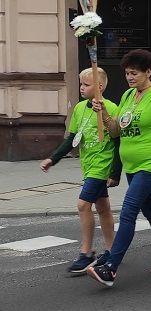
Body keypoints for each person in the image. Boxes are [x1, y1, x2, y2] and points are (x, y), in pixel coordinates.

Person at [85, 49, 151, 288]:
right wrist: (103, 112)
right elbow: (116, 130)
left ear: (148, 72)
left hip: (150, 162)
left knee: (128, 211)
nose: (129, 77)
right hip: (131, 164)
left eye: (134, 73)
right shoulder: (128, 95)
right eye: (127, 73)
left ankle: (111, 267)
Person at [40, 67, 118, 274]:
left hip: (102, 165)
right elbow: (72, 138)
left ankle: (86, 253)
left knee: (83, 205)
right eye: (81, 84)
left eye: (86, 84)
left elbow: (117, 140)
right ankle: (112, 250)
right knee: (103, 207)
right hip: (88, 164)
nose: (81, 88)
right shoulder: (79, 108)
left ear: (99, 87)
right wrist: (53, 158)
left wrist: (115, 172)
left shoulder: (111, 107)